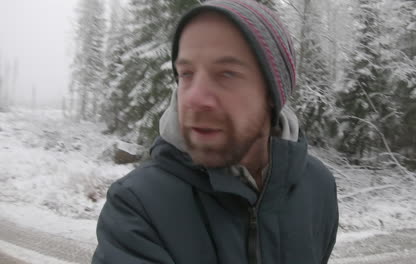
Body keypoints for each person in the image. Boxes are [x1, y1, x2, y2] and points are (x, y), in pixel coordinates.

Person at [92, 0, 339, 263]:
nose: (194, 98)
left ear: (273, 94)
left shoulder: (317, 187)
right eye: (186, 74)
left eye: (227, 74)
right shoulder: (137, 205)